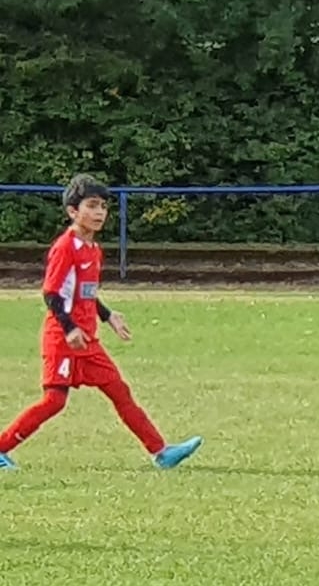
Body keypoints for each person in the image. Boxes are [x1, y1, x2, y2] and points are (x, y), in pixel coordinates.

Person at [0, 175, 203, 470]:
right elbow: (51, 293)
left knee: (120, 391)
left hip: (88, 341)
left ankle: (161, 453)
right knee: (54, 401)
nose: (99, 213)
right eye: (92, 205)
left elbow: (85, 293)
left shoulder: (93, 250)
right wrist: (69, 328)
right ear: (73, 211)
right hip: (63, 339)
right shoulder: (65, 247)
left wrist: (107, 316)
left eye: (103, 207)